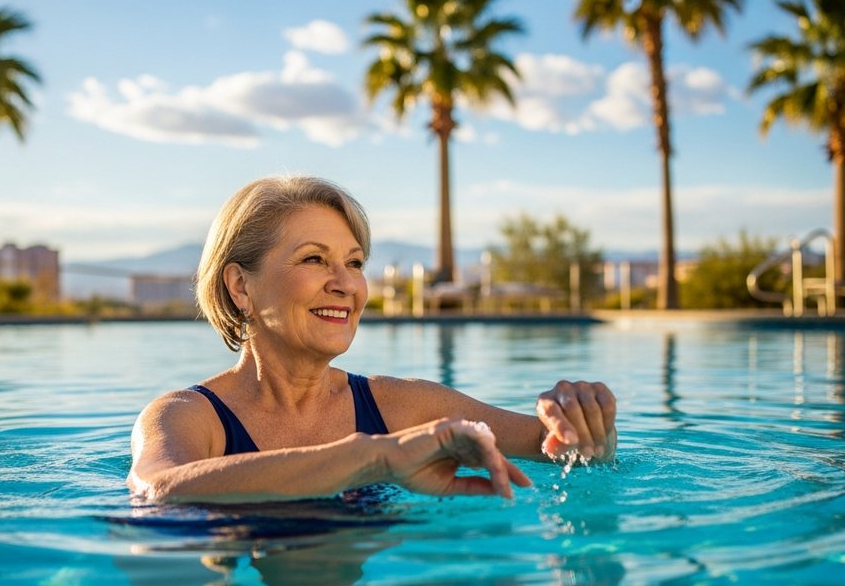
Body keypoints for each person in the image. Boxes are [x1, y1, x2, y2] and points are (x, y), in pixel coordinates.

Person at [128, 175, 617, 503]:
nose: (346, 283)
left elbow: (556, 448)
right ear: (240, 286)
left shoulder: (403, 408)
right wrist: (374, 456)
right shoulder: (189, 416)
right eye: (314, 259)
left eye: (355, 262)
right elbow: (157, 488)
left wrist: (581, 416)